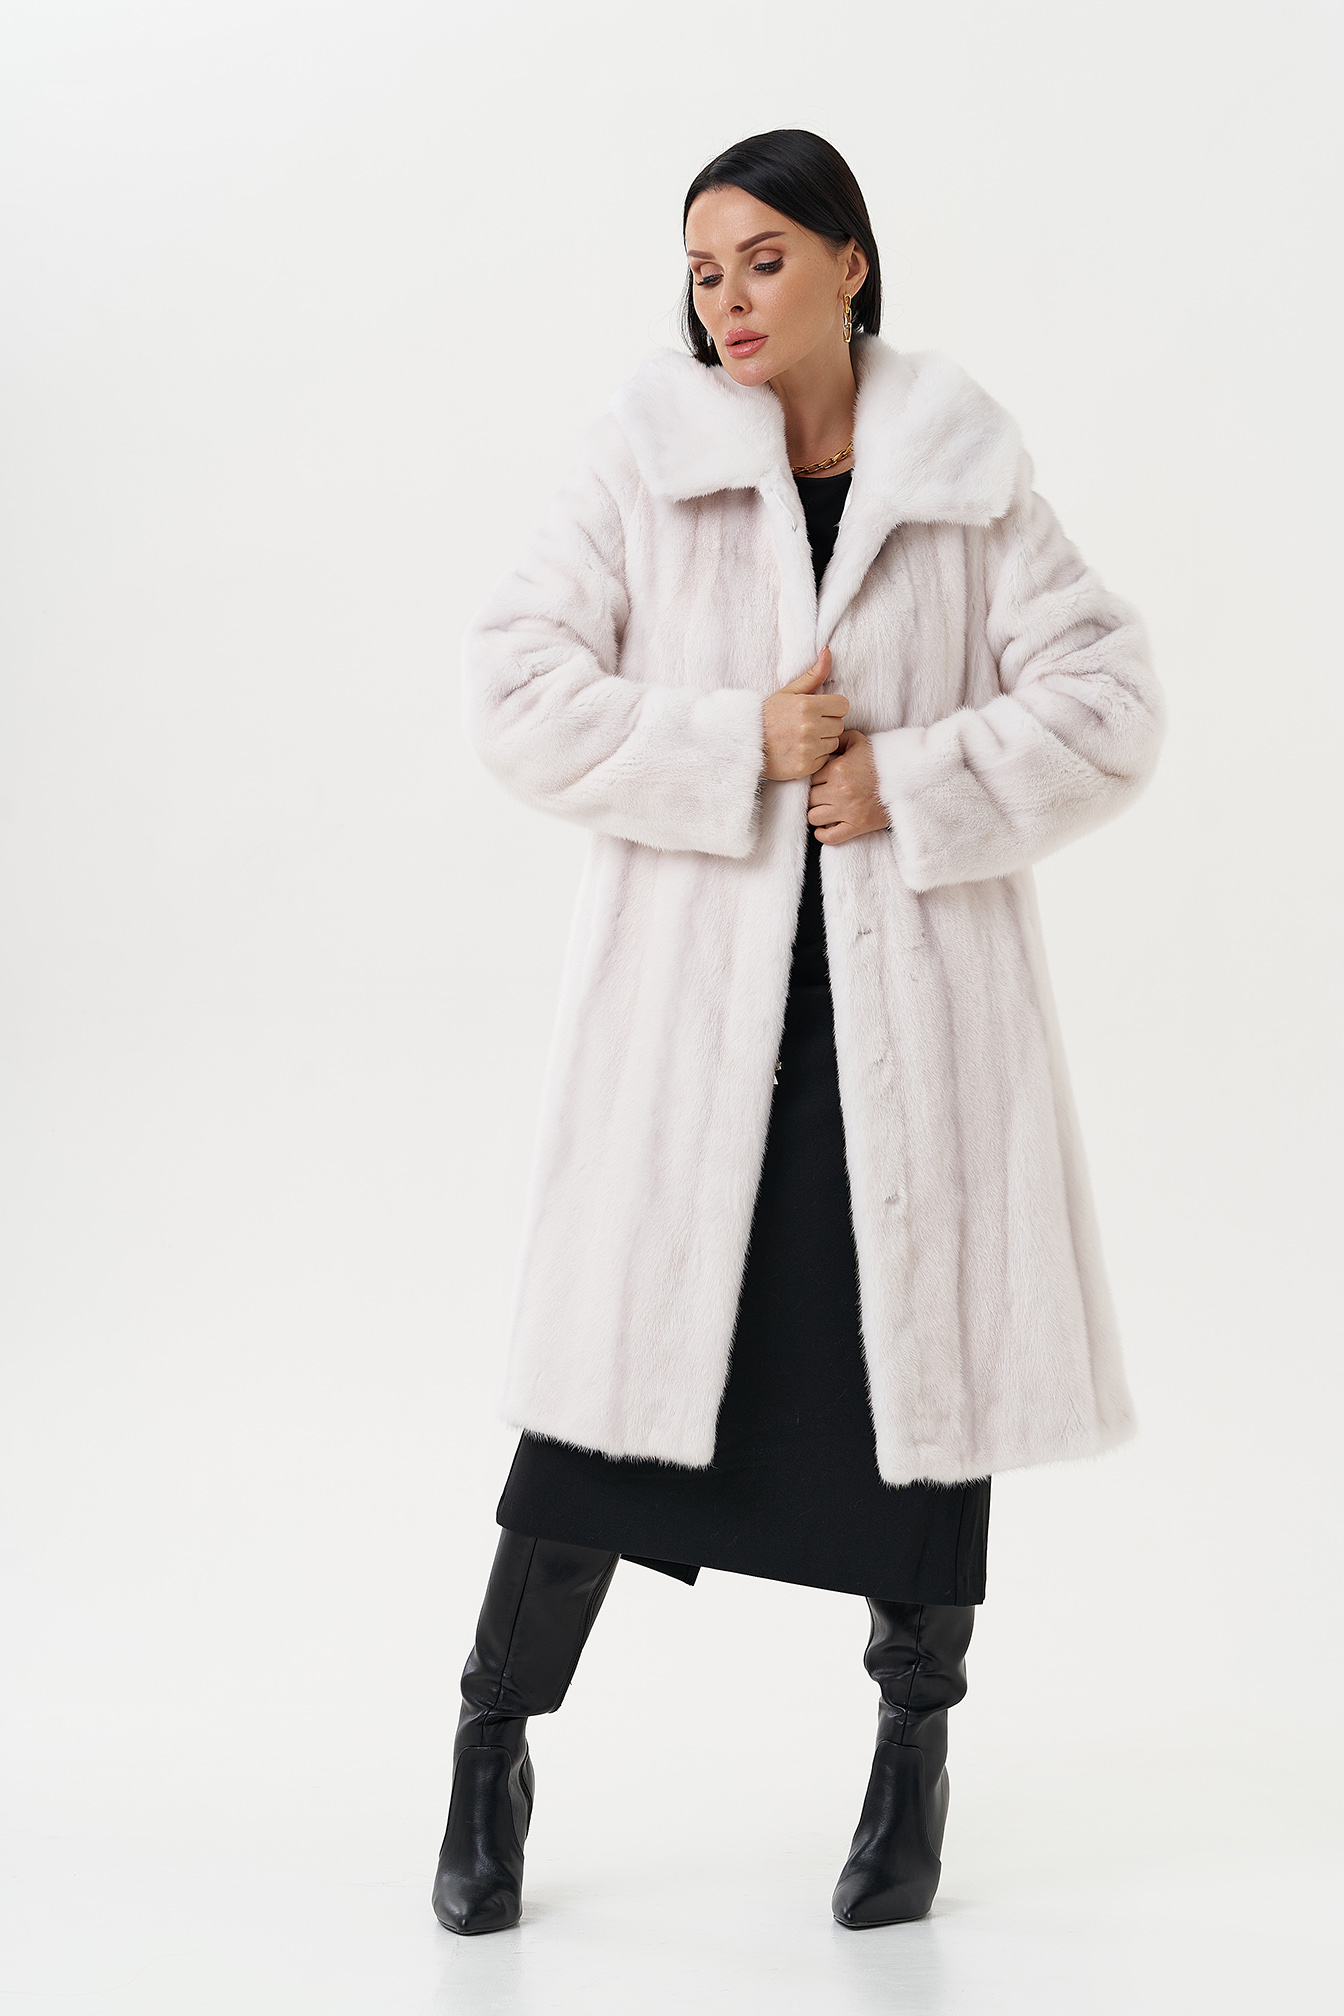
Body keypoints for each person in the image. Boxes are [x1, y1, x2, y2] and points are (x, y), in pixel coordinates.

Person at [433, 128, 1165, 1936]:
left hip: (910, 1029)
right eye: (704, 271)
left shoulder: (966, 476)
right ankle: (491, 1741)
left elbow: (1109, 699)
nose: (729, 301)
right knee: (603, 1413)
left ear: (852, 262)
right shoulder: (645, 457)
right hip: (692, 1035)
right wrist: (731, 746)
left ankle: (914, 1761)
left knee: (919, 1400)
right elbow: (515, 686)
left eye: (764, 258)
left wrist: (910, 780)